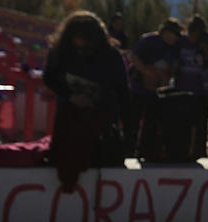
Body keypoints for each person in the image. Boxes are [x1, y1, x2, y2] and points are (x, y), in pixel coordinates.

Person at [42, 11, 128, 188]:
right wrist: (70, 95)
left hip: (100, 120)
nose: (80, 45)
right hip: (68, 115)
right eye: (77, 40)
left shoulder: (111, 56)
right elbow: (50, 78)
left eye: (84, 41)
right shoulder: (60, 52)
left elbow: (122, 90)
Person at [129, 19, 183, 161]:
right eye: (172, 34)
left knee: (152, 124)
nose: (174, 37)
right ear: (165, 32)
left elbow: (175, 65)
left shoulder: (175, 46)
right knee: (133, 121)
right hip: (140, 88)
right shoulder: (149, 40)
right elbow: (134, 57)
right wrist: (147, 72)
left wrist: (166, 75)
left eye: (177, 35)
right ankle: (129, 149)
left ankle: (146, 151)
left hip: (158, 91)